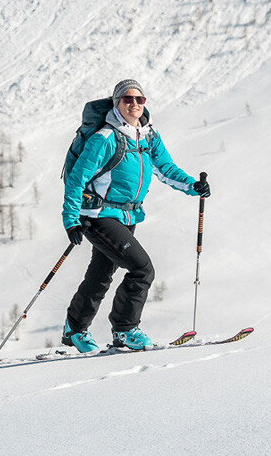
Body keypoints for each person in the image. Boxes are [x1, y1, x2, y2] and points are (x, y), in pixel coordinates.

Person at [61, 80, 210, 352]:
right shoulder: (104, 137)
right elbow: (76, 179)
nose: (134, 104)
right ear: (116, 102)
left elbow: (165, 168)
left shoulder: (149, 136)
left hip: (128, 217)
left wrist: (192, 185)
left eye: (140, 99)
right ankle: (125, 329)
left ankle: (75, 329)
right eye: (128, 99)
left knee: (100, 275)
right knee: (142, 269)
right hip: (98, 215)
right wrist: (71, 219)